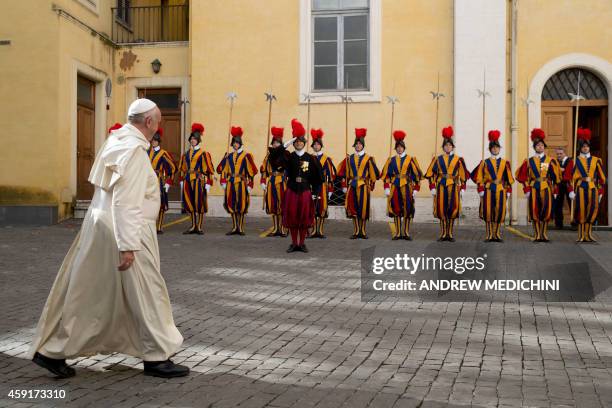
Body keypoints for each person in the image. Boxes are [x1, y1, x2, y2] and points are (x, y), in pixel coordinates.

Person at [28, 98, 188, 379]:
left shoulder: (116, 141)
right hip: (128, 231)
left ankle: (51, 351)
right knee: (148, 293)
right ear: (149, 122)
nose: (160, 125)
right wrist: (128, 246)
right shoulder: (135, 152)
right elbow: (126, 202)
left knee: (89, 294)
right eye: (159, 120)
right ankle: (156, 357)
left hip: (100, 228)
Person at [281, 119, 323, 252]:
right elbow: (274, 158)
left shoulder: (311, 158)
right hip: (292, 190)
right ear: (294, 143)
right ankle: (294, 243)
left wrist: (316, 193)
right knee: (293, 217)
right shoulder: (289, 157)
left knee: (304, 218)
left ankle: (302, 243)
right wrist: (284, 145)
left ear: (304, 143)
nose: (298, 143)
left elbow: (318, 178)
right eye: (296, 142)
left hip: (305, 191)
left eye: (300, 141)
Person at [515, 128, 562, 242]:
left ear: (544, 147)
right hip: (534, 188)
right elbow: (523, 176)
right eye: (538, 145)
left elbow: (555, 177)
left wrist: (555, 190)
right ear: (534, 147)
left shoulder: (549, 160)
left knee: (545, 211)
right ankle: (537, 234)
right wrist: (526, 189)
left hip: (546, 188)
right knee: (535, 211)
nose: (540, 147)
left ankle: (544, 234)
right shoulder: (529, 161)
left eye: (542, 145)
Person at [424, 126, 469, 242]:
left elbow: (463, 175)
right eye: (446, 145)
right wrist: (432, 187)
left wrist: (463, 187)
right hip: (441, 186)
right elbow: (431, 174)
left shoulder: (458, 159)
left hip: (453, 186)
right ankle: (443, 234)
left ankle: (450, 233)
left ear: (452, 147)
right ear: (443, 147)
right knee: (442, 209)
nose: (448, 147)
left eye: (449, 145)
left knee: (452, 209)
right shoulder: (438, 159)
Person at [470, 130, 515, 242]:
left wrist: (508, 190)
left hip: (500, 189)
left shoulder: (505, 163)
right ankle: (489, 235)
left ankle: (497, 234)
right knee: (489, 212)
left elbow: (508, 179)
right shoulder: (484, 162)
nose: (495, 149)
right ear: (490, 149)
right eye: (493, 148)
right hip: (489, 189)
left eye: (497, 147)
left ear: (499, 149)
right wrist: (481, 189)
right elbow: (479, 177)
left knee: (499, 212)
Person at [337, 128, 380, 239]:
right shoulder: (349, 158)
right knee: (353, 208)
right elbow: (343, 173)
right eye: (356, 144)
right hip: (352, 185)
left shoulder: (369, 158)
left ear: (363, 145)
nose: (358, 146)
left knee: (363, 209)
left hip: (364, 186)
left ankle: (363, 231)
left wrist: (371, 184)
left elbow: (373, 173)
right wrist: (344, 185)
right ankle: (356, 231)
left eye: (360, 144)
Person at [380, 130, 423, 240]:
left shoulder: (410, 159)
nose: (399, 149)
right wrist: (386, 188)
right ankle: (398, 233)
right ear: (395, 148)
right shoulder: (391, 160)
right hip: (395, 187)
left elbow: (416, 175)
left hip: (407, 187)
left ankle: (406, 232)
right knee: (396, 209)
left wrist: (416, 189)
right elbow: (386, 175)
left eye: (401, 147)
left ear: (404, 147)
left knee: (408, 209)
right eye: (397, 147)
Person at [217, 126, 258, 235]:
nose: (235, 144)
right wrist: (223, 159)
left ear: (240, 143)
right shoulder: (229, 156)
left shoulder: (246, 156)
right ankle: (234, 227)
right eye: (234, 142)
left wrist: (250, 184)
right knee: (231, 204)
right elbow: (221, 170)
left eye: (237, 142)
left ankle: (240, 227)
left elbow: (252, 171)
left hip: (241, 183)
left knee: (241, 205)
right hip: (230, 182)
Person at [569, 128, 607, 242]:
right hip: (580, 187)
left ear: (589, 147)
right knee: (581, 210)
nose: (585, 148)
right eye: (583, 146)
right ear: (580, 148)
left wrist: (600, 191)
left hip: (592, 188)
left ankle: (588, 234)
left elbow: (602, 178)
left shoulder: (596, 160)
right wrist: (571, 190)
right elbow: (569, 178)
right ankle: (581, 235)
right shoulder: (575, 161)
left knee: (592, 210)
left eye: (587, 146)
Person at [178, 123, 214, 235]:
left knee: (200, 204)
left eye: (195, 139)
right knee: (190, 204)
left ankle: (199, 226)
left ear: (199, 140)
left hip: (199, 180)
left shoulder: (204, 153)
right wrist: (181, 181)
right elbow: (182, 168)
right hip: (188, 179)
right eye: (191, 138)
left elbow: (210, 169)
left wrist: (209, 183)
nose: (193, 140)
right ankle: (193, 225)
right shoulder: (186, 154)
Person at [260, 126, 290, 237]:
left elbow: (289, 169)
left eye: (278, 143)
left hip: (282, 181)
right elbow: (264, 169)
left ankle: (283, 228)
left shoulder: (285, 154)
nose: (275, 144)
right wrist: (263, 181)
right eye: (274, 143)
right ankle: (275, 228)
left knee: (282, 205)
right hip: (271, 181)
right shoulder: (268, 156)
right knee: (273, 205)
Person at [148, 128, 176, 234]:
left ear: (158, 141)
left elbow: (173, 168)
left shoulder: (163, 153)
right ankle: (151, 226)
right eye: (152, 140)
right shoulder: (148, 152)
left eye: (155, 140)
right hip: (148, 180)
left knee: (160, 204)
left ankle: (159, 226)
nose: (153, 142)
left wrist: (169, 182)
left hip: (158, 180)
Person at [309, 128, 336, 239]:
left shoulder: (326, 159)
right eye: (314, 145)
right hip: (311, 186)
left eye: (318, 144)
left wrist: (330, 189)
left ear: (321, 146)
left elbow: (330, 176)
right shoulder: (308, 158)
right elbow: (304, 172)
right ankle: (313, 230)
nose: (316, 146)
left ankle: (320, 231)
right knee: (312, 208)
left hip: (322, 186)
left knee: (321, 208)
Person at [553, 147, 574, 229]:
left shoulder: (570, 161)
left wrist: (562, 170)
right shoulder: (554, 161)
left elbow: (571, 172)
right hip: (558, 185)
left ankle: (574, 223)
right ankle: (558, 224)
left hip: (569, 184)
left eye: (561, 153)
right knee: (558, 204)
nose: (559, 155)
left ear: (564, 153)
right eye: (557, 154)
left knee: (571, 203)